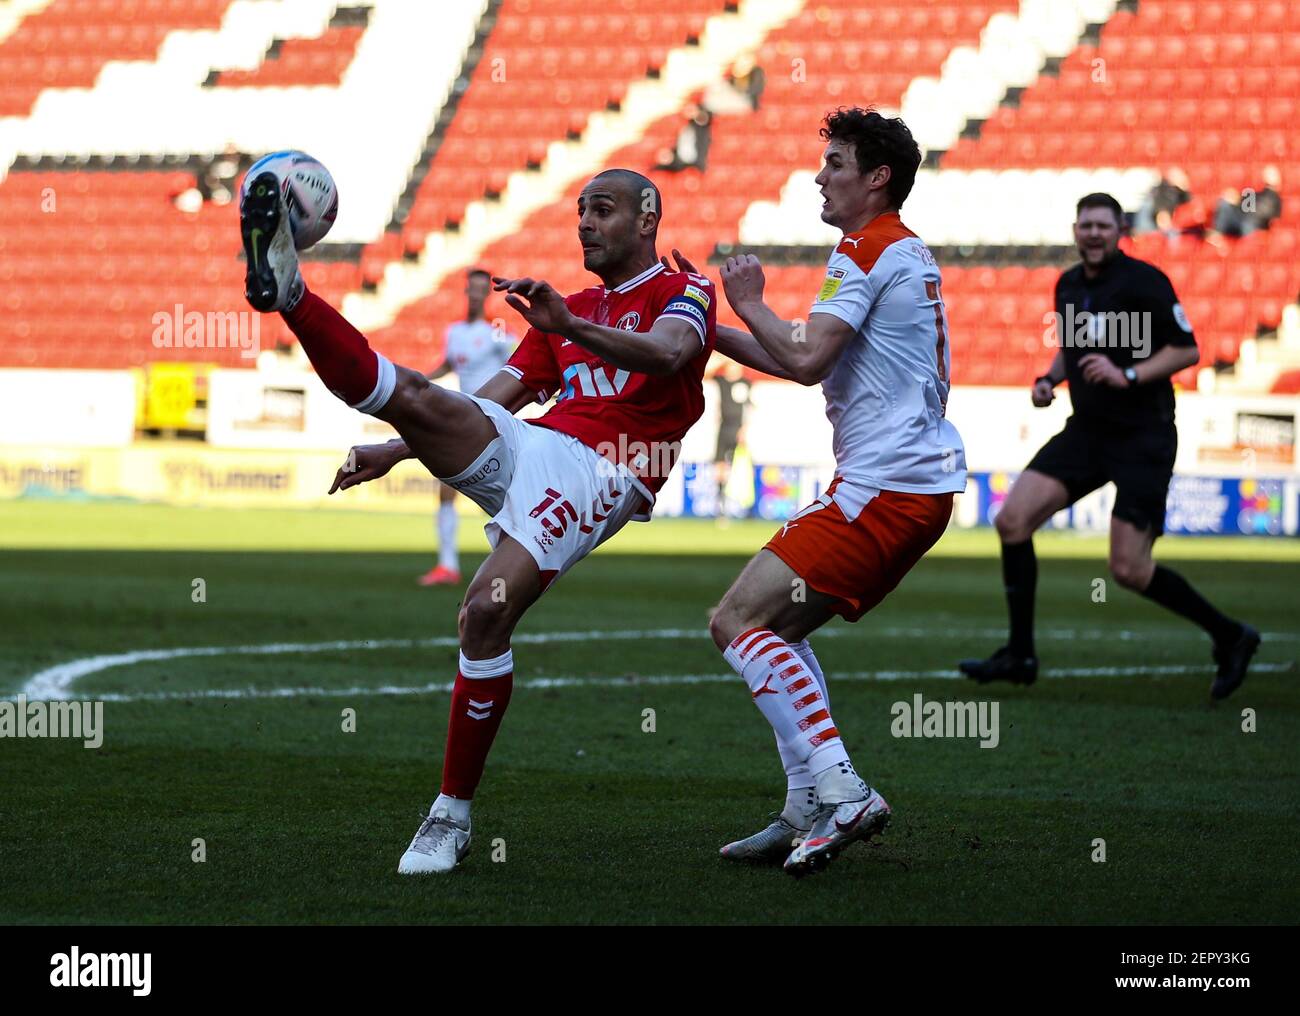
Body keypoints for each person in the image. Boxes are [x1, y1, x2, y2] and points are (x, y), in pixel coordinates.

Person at [239, 165, 716, 874]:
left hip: (609, 469)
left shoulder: (685, 291)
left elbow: (673, 354)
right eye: (581, 209)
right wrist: (401, 449)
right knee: (421, 395)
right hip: (540, 446)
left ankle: (449, 814)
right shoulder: (567, 308)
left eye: (604, 209)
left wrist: (570, 324)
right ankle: (295, 295)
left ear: (648, 220)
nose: (585, 221)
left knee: (484, 611)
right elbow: (495, 398)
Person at [679, 107, 967, 876]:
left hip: (887, 487)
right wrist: (704, 331)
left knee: (736, 620)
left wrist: (744, 303)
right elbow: (804, 354)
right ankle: (806, 805)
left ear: (878, 178)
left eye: (836, 162)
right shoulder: (894, 251)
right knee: (778, 631)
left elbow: (804, 361)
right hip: (907, 485)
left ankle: (844, 790)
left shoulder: (867, 248)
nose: (820, 174)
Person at [959, 193, 1259, 699]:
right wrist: (1049, 380)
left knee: (1128, 569)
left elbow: (1188, 349)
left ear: (1120, 229)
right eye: (1085, 225)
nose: (1093, 233)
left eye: (1103, 225)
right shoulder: (1068, 284)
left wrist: (1129, 374)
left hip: (1145, 435)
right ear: (1075, 230)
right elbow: (1071, 348)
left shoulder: (1144, 281)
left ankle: (1231, 636)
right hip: (1088, 431)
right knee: (1012, 520)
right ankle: (1020, 653)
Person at [418, 268, 516, 586]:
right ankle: (448, 565)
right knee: (446, 491)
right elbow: (449, 364)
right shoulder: (455, 332)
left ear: (487, 294)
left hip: (490, 421)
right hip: (461, 420)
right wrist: (420, 381)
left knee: (499, 498)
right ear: (465, 291)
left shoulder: (497, 332)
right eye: (470, 288)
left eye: (480, 289)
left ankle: (514, 563)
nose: (474, 294)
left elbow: (518, 362)